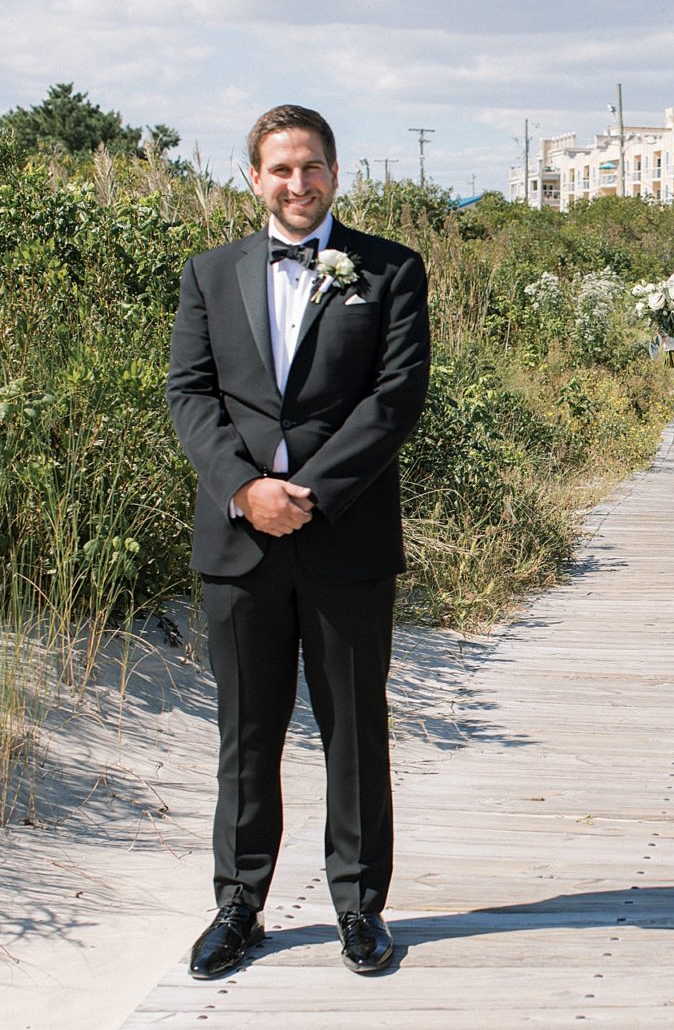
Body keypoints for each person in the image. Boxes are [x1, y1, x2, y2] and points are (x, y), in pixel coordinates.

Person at [166, 105, 430, 978]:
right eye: (280, 168)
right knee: (247, 733)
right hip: (239, 542)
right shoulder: (209, 274)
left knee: (353, 729)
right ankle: (239, 907)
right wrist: (246, 491)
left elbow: (394, 397)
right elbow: (190, 394)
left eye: (311, 166)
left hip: (345, 535)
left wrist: (310, 496)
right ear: (255, 178)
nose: (297, 182)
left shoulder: (391, 270)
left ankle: (358, 907)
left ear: (336, 172)